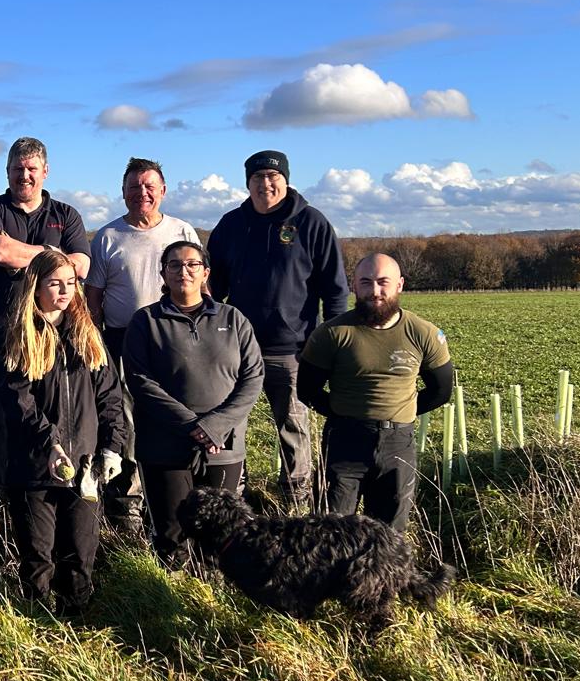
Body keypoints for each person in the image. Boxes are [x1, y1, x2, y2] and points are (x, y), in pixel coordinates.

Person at [206, 150, 349, 507]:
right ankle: (233, 496)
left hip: (292, 350)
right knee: (231, 423)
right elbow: (213, 287)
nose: (265, 185)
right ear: (247, 184)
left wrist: (330, 346)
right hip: (236, 350)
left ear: (285, 180)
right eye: (257, 179)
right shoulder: (231, 225)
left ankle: (296, 499)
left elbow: (335, 290)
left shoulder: (312, 223)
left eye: (273, 177)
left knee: (294, 428)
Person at [0, 248, 125, 615]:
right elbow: (19, 403)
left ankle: (77, 627)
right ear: (36, 287)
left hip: (84, 468)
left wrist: (112, 448)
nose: (64, 291)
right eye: (55, 283)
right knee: (38, 558)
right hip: (35, 470)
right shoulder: (22, 339)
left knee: (81, 556)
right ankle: (35, 628)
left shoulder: (88, 337)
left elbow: (110, 398)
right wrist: (50, 444)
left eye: (70, 283)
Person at [122, 241, 264, 564]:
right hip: (164, 448)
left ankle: (212, 601)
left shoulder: (234, 319)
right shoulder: (146, 322)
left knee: (221, 535)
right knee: (171, 533)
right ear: (163, 273)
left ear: (205, 273)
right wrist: (192, 426)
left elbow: (253, 377)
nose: (183, 271)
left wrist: (215, 426)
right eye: (174, 265)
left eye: (191, 265)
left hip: (222, 447)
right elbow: (140, 381)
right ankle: (171, 597)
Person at [297, 252, 454, 532]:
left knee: (390, 535)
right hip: (344, 442)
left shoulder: (424, 333)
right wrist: (343, 413)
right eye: (366, 282)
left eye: (383, 282)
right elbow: (307, 390)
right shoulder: (332, 334)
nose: (375, 291)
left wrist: (400, 411)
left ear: (400, 285)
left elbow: (441, 390)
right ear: (354, 286)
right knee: (330, 531)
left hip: (398, 442)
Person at [85, 157, 199, 528]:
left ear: (163, 191)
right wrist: (96, 342)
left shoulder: (182, 232)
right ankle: (129, 504)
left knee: (177, 414)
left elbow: (201, 287)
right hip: (122, 341)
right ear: (123, 193)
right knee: (128, 422)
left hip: (176, 337)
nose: (142, 194)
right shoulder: (108, 237)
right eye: (134, 187)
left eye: (149, 186)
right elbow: (95, 297)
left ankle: (179, 498)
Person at [0, 137, 91, 488]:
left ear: (45, 171)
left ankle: (56, 491)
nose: (25, 176)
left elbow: (81, 265)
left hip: (55, 338)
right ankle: (2, 506)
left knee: (50, 422)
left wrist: (29, 254)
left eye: (32, 169)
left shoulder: (66, 214)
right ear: (7, 171)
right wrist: (55, 255)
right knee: (0, 425)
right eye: (18, 169)